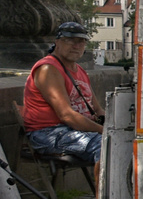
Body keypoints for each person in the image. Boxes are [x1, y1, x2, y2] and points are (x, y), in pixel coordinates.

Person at [22, 20, 102, 165]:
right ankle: (106, 188)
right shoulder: (48, 69)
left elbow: (97, 109)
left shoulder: (80, 70)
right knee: (105, 146)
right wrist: (105, 131)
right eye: (70, 40)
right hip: (49, 132)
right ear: (57, 42)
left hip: (76, 129)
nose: (76, 46)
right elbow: (67, 115)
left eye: (81, 41)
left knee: (123, 141)